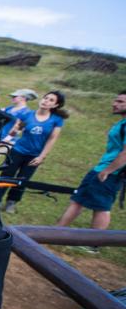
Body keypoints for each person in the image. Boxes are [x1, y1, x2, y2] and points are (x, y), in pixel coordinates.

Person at [56, 91, 126, 232]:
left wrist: (108, 170)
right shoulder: (122, 122)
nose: (114, 104)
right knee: (78, 199)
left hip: (111, 172)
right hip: (101, 168)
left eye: (120, 102)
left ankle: (94, 244)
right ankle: (56, 231)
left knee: (101, 206)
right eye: (115, 100)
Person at [0, 90, 68, 213]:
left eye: (51, 100)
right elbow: (14, 131)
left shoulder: (56, 120)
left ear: (55, 105)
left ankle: (11, 203)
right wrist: (14, 131)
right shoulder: (27, 115)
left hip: (34, 155)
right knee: (7, 175)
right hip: (17, 150)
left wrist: (41, 157)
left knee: (23, 179)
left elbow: (52, 139)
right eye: (45, 98)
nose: (46, 101)